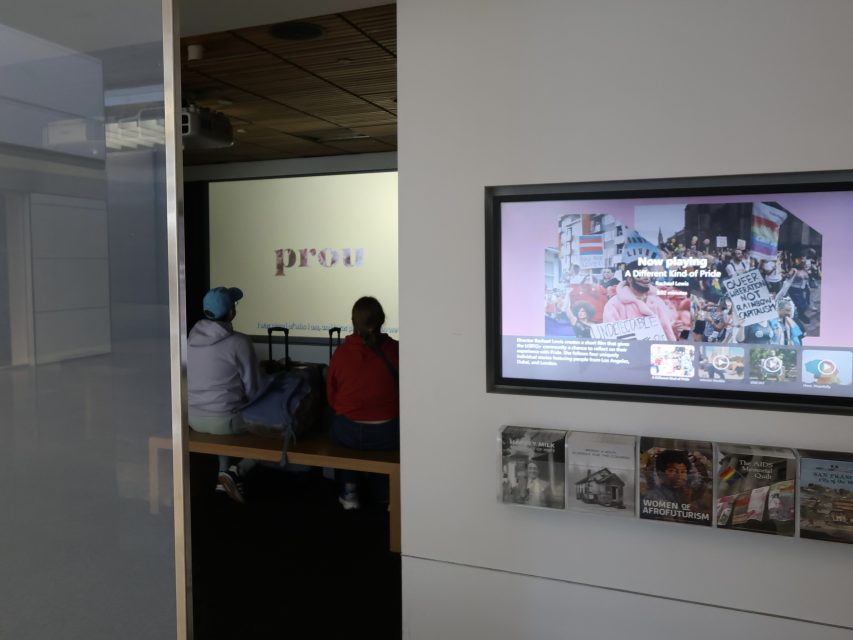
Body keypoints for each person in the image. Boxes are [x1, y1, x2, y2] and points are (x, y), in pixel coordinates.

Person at [187, 286, 267, 503]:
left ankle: (222, 478)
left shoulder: (192, 338)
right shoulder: (239, 342)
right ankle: (237, 471)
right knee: (274, 431)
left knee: (223, 416)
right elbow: (254, 389)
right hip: (225, 420)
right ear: (231, 312)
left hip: (194, 418)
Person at [327, 296, 399, 510]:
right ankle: (384, 492)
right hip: (387, 434)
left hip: (348, 431)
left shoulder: (341, 353)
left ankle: (349, 489)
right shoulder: (396, 350)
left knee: (336, 429)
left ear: (353, 322)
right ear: (382, 320)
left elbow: (332, 397)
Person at [602, 262, 677, 341]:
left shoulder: (657, 301)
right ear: (630, 279)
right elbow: (611, 337)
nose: (647, 278)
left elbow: (669, 331)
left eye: (648, 274)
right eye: (642, 275)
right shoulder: (614, 304)